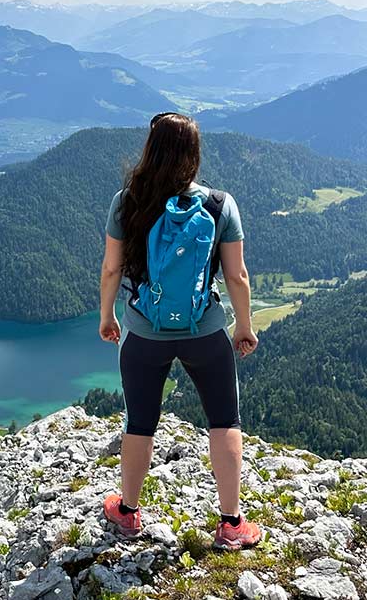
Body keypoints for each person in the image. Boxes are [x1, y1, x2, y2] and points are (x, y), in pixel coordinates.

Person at [98, 112, 262, 551]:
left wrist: (107, 316)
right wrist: (243, 327)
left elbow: (112, 267)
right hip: (204, 330)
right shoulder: (219, 205)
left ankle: (129, 512)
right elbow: (237, 275)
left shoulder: (127, 201)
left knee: (140, 422)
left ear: (151, 149)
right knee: (224, 419)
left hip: (143, 330)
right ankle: (231, 523)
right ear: (194, 153)